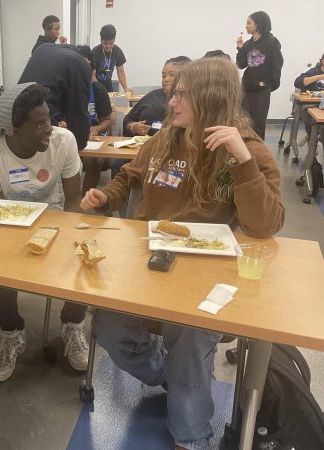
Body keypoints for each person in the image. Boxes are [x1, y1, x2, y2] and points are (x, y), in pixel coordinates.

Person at [80, 58, 284, 449]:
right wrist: (107, 196)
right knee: (106, 326)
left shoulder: (248, 150)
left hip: (204, 273)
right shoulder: (165, 138)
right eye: (173, 94)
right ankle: (171, 376)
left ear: (210, 99)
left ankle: (191, 436)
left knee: (189, 334)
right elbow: (130, 176)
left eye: (181, 95)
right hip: (148, 263)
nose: (170, 103)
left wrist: (242, 161)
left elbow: (265, 225)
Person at [0, 83, 89, 382]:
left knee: (86, 256)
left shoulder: (63, 141)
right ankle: (13, 333)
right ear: (13, 129)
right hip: (9, 226)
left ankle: (73, 325)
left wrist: (75, 235)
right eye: (39, 123)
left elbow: (75, 199)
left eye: (48, 118)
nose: (49, 128)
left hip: (56, 218)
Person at [111, 56, 191, 180]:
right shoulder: (152, 96)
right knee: (119, 165)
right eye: (164, 76)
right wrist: (133, 127)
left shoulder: (191, 104)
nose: (166, 79)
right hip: (140, 150)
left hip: (172, 155)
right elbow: (127, 120)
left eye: (172, 75)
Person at [19, 44, 91, 150]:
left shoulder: (42, 48)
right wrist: (79, 144)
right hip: (42, 118)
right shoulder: (79, 62)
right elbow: (78, 110)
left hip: (18, 116)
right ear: (87, 60)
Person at [236, 10, 284, 140]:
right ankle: (244, 153)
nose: (246, 26)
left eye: (249, 23)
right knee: (243, 122)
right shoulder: (248, 44)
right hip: (245, 88)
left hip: (261, 91)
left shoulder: (271, 42)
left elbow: (277, 64)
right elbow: (240, 64)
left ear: (258, 24)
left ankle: (257, 154)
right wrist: (240, 48)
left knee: (257, 124)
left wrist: (266, 83)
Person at [76, 45, 113, 192]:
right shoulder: (65, 89)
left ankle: (83, 199)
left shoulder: (98, 90)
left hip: (94, 142)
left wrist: (96, 129)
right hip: (72, 141)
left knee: (94, 160)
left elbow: (108, 121)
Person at [294, 54, 324, 141]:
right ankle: (312, 138)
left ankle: (317, 137)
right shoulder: (313, 71)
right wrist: (318, 77)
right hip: (311, 104)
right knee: (310, 114)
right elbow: (297, 82)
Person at [91, 24, 128, 93]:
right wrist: (100, 89)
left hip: (108, 86)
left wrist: (125, 88)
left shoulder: (117, 51)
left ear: (114, 40)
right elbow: (92, 75)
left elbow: (120, 72)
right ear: (101, 40)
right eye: (105, 43)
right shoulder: (95, 52)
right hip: (95, 86)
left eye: (111, 43)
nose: (108, 46)